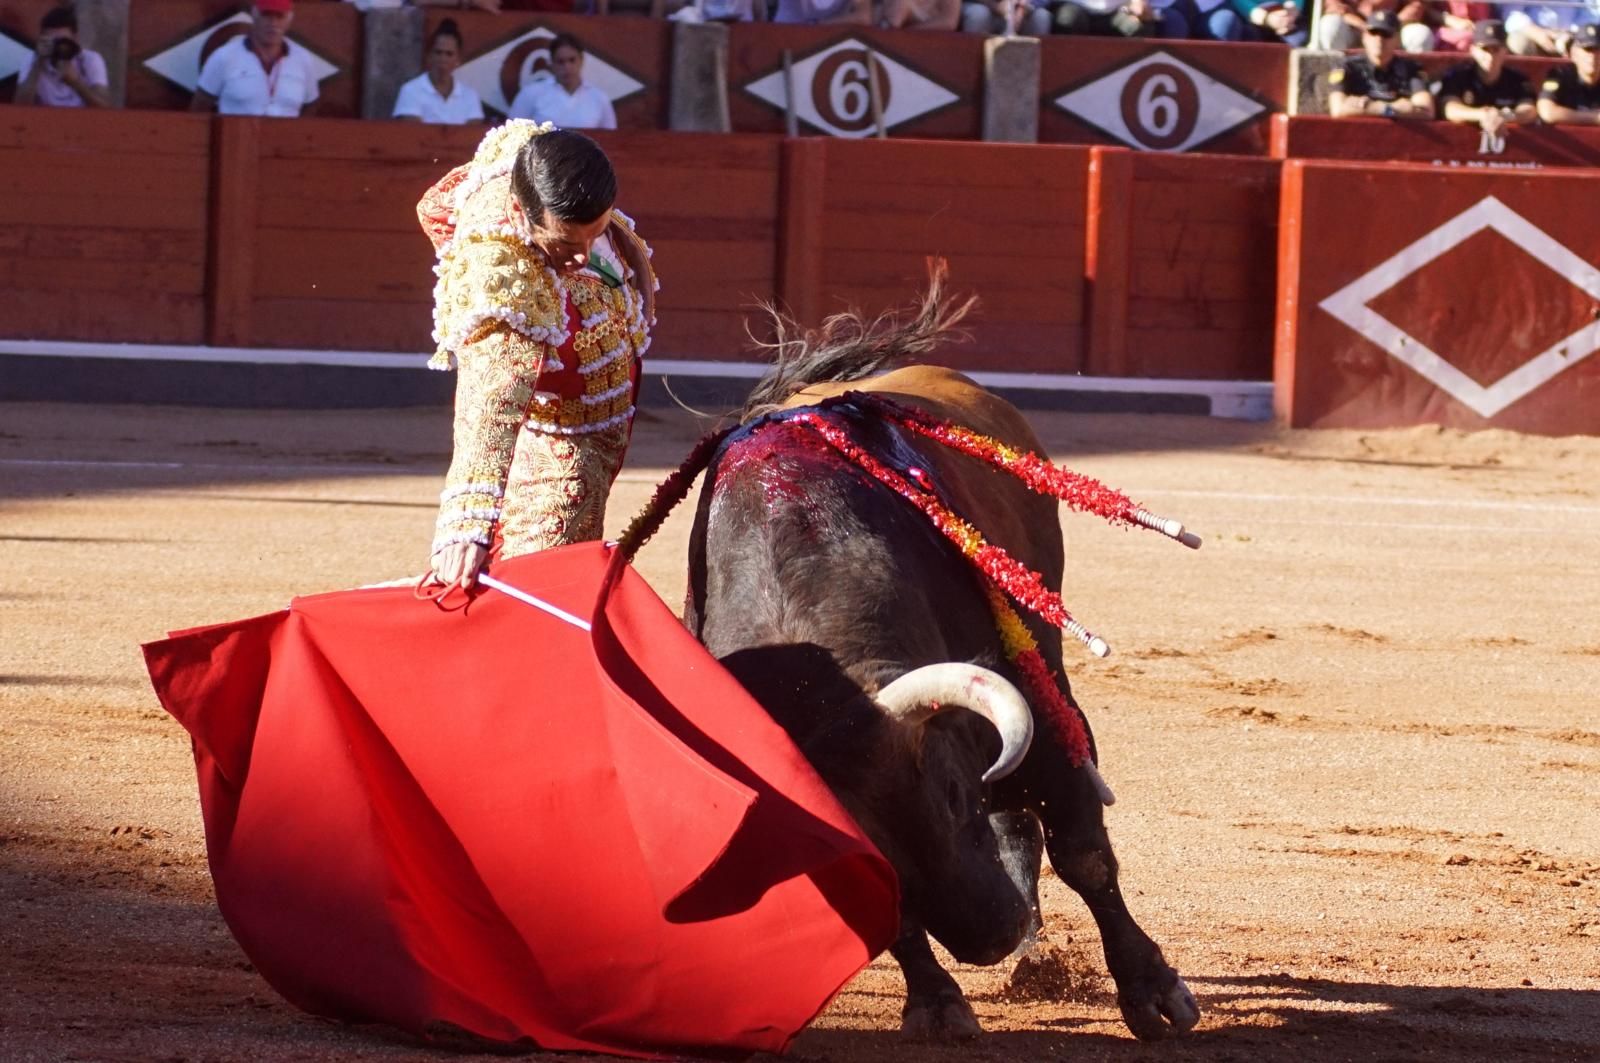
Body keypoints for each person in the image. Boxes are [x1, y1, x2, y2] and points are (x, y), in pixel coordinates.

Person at [418, 123, 657, 591]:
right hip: (557, 441)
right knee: (540, 589)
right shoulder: (501, 273)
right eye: (566, 246)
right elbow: (492, 395)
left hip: (589, 410)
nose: (584, 258)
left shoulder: (541, 165)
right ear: (520, 212)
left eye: (597, 235)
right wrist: (467, 520)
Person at [192, 0, 319, 117]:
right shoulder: (224, 57)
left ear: (289, 19)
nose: (273, 23)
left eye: (279, 16)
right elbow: (199, 109)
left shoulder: (303, 60)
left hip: (287, 140)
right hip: (237, 139)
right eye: (266, 15)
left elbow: (310, 108)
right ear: (254, 14)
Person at [1436, 20, 1537, 139]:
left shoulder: (1518, 80)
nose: (1490, 56)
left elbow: (1529, 110)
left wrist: (1506, 116)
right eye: (1484, 49)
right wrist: (1483, 115)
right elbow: (1450, 109)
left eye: (1496, 50)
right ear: (1473, 50)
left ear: (1505, 51)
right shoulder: (1458, 76)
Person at [1327, 11, 1436, 120]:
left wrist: (1367, 107)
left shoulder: (1411, 69)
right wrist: (1389, 109)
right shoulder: (1346, 67)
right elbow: (1338, 109)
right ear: (1364, 37)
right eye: (1373, 33)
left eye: (1386, 34)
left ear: (1398, 40)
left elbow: (1426, 111)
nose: (1379, 40)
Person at [507, 35, 616, 131]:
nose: (567, 67)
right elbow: (511, 133)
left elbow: (611, 138)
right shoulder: (531, 93)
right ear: (552, 63)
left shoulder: (599, 98)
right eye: (560, 62)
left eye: (572, 60)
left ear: (581, 60)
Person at [14, 4, 111, 109]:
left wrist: (75, 82)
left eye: (64, 41)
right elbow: (20, 106)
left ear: (75, 39)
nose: (60, 47)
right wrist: (38, 64)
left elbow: (104, 108)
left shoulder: (89, 59)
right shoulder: (32, 58)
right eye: (54, 42)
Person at [392, 19, 484, 124]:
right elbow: (412, 134)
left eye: (449, 54)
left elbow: (472, 136)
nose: (443, 58)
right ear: (429, 55)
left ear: (458, 59)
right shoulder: (411, 91)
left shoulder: (470, 96)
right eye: (438, 52)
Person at [1537, 23, 1600, 124]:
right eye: (1587, 49)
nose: (1592, 56)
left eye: (1598, 50)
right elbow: (1547, 112)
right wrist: (1594, 117)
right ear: (1573, 53)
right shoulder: (1560, 75)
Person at [1318, 0, 1434, 51]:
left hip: (1392, 30)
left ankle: (1414, 87)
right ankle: (1337, 80)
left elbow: (1415, 5)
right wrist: (1363, 27)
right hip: (1354, 28)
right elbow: (1333, 5)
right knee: (1330, 25)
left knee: (1420, 34)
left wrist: (1391, 24)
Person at [1503, 1, 1600, 57]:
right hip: (1533, 36)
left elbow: (1591, 14)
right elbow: (1511, 14)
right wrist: (1537, 33)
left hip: (1573, 37)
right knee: (1519, 43)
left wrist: (1572, 34)